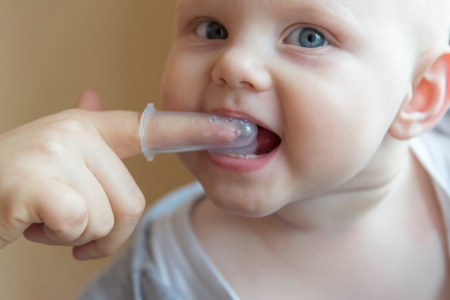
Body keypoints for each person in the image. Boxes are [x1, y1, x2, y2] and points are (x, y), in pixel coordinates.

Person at [2, 0, 450, 298]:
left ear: (420, 95)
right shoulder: (154, 280)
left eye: (309, 37)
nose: (232, 63)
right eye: (212, 28)